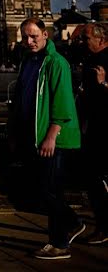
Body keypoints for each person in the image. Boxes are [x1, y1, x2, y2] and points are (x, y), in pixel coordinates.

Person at [10, 17, 84, 260]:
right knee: (43, 190)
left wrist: (51, 136)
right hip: (35, 136)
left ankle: (61, 242)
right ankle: (68, 226)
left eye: (34, 36)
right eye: (25, 37)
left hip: (54, 138)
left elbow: (63, 103)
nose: (29, 41)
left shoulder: (56, 63)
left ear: (45, 34)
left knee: (49, 191)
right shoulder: (29, 61)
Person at [77, 22, 108, 245]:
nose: (83, 42)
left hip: (105, 129)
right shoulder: (90, 58)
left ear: (101, 39)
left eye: (86, 38)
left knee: (96, 179)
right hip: (93, 128)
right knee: (93, 179)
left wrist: (104, 83)